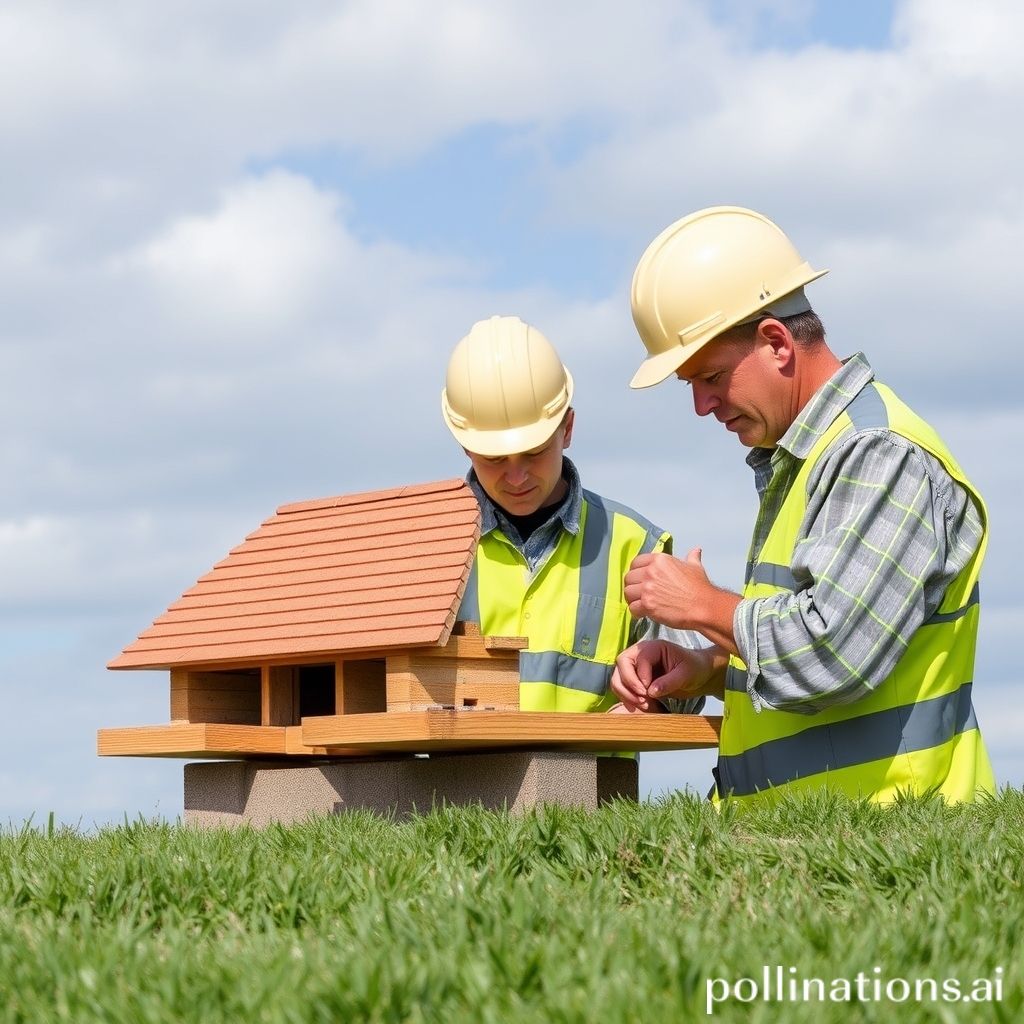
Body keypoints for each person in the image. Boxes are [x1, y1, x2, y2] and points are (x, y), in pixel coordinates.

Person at [611, 206, 994, 805]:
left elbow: (833, 652)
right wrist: (708, 669)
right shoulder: (806, 461)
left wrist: (702, 605)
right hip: (820, 857)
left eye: (709, 376)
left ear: (776, 343)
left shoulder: (879, 454)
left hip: (888, 850)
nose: (701, 405)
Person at [442, 314, 705, 722]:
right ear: (465, 445)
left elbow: (684, 695)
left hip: (595, 783)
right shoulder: (430, 544)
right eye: (495, 458)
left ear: (567, 428)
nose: (516, 476)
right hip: (460, 786)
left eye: (533, 452)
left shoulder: (633, 544)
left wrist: (652, 702)